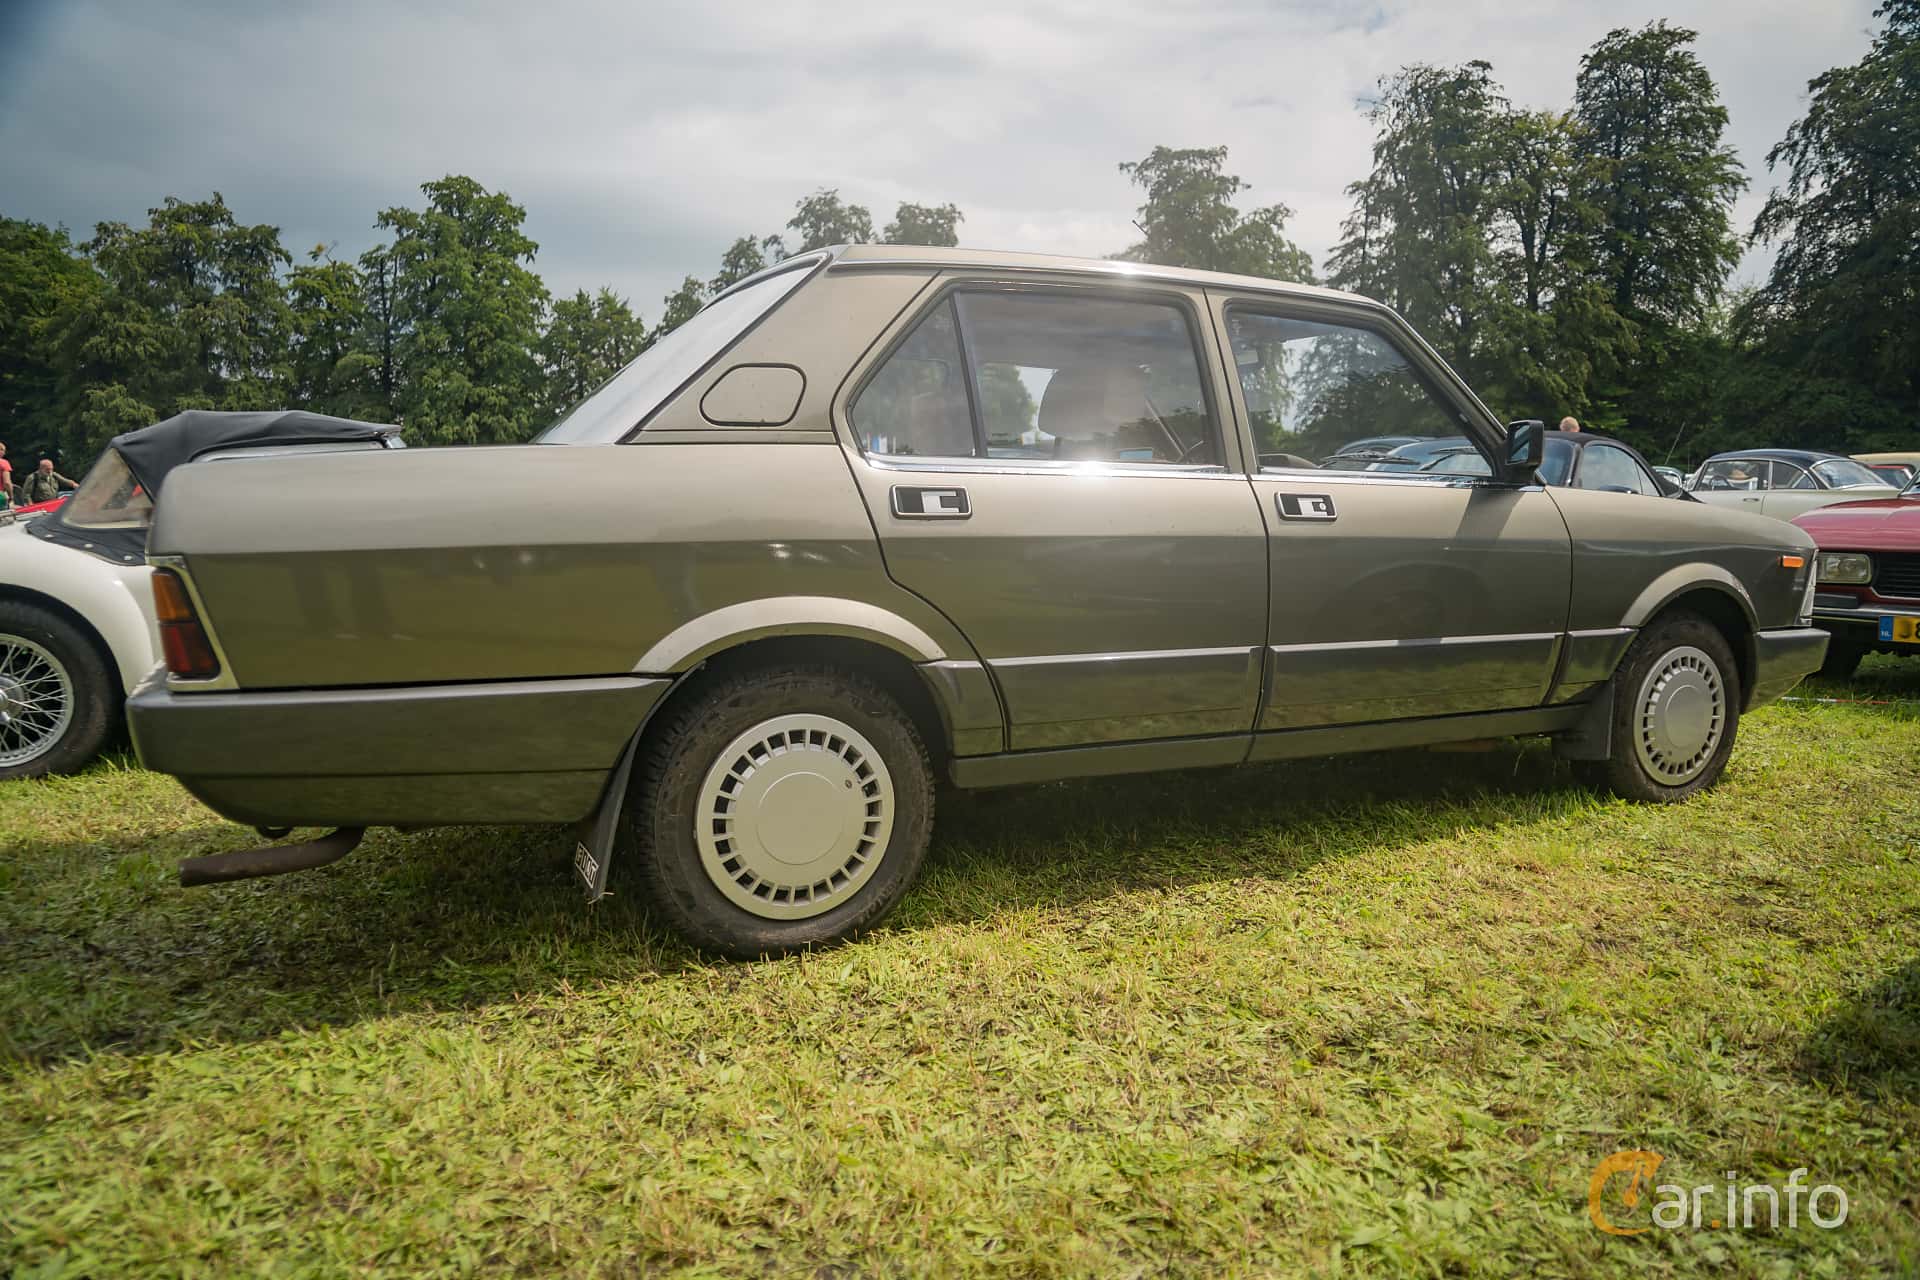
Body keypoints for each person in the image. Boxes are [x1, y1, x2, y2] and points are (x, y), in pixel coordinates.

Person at [0, 442, 12, 508]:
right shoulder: (4, 463)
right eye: (3, 450)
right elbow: (7, 483)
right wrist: (11, 496)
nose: (4, 453)